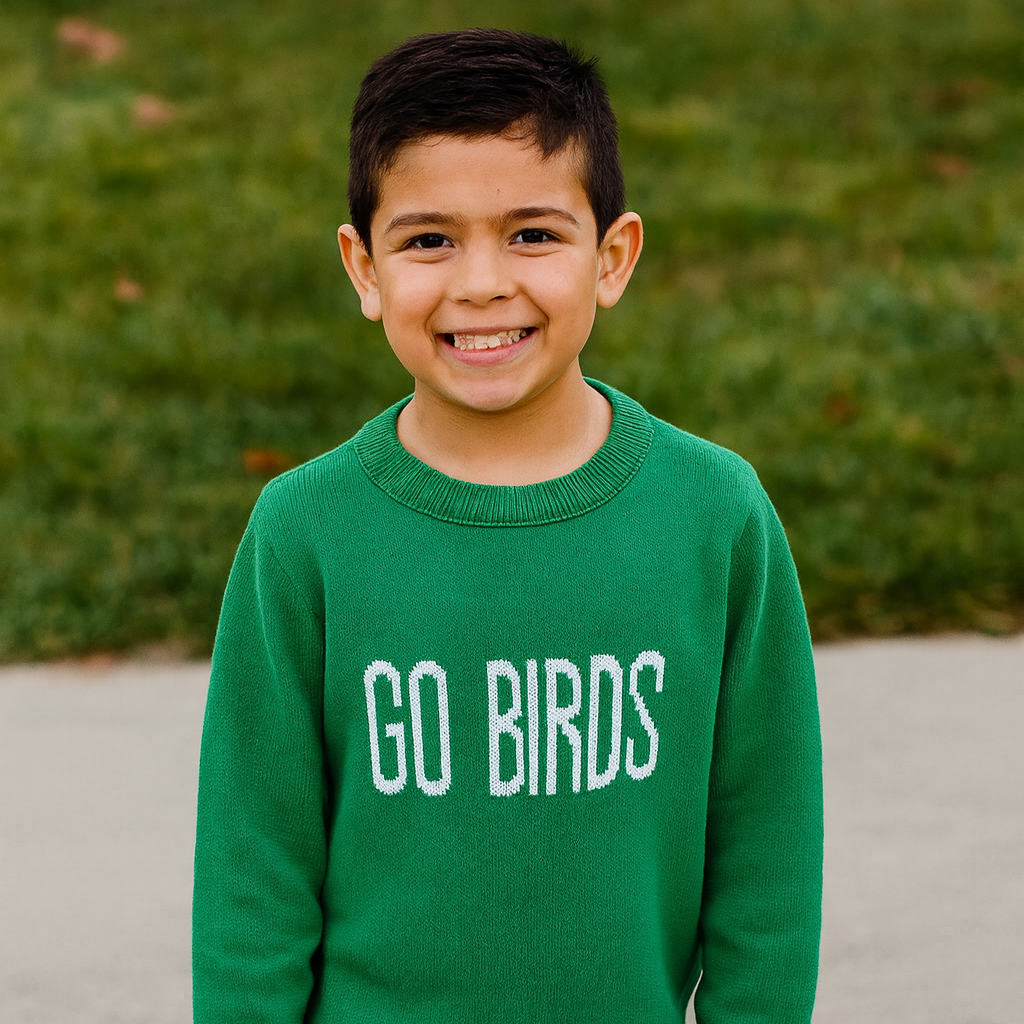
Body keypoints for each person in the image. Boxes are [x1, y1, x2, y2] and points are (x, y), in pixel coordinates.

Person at [192, 28, 823, 1024]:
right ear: (364, 268)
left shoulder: (715, 516)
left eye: (532, 233)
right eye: (429, 239)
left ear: (611, 257)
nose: (482, 282)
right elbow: (252, 866)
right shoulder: (303, 530)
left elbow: (767, 846)